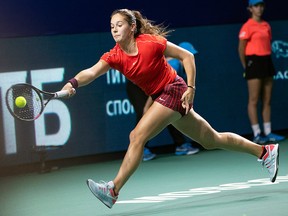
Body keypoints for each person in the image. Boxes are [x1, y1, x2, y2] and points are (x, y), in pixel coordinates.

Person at [63, 9, 279, 209]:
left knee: (137, 136)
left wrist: (192, 87)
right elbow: (90, 72)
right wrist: (73, 83)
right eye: (112, 26)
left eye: (119, 25)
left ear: (132, 27)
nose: (115, 29)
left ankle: (113, 189)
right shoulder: (115, 56)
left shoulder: (151, 43)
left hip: (175, 90)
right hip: (162, 97)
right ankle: (264, 152)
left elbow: (188, 56)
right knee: (211, 139)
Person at [126, 42, 200, 161]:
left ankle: (181, 145)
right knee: (144, 115)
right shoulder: (174, 66)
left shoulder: (181, 66)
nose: (192, 59)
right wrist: (147, 108)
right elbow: (159, 90)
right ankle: (140, 150)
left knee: (170, 111)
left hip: (151, 85)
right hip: (137, 87)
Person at [238, 0, 285, 144]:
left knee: (267, 99)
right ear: (250, 9)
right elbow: (241, 49)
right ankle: (257, 134)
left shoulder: (266, 25)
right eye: (256, 6)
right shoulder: (247, 26)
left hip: (267, 62)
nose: (259, 9)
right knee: (253, 100)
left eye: (261, 6)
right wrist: (247, 66)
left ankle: (268, 132)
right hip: (253, 62)